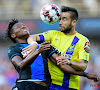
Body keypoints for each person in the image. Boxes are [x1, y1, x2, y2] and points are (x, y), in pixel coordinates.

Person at [22, 6, 99, 90]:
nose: (60, 22)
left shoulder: (83, 40)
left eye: (64, 19)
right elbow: (31, 37)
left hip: (69, 87)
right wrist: (33, 44)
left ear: (73, 22)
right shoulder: (52, 34)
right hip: (49, 85)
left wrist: (69, 62)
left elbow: (83, 66)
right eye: (60, 19)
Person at [6, 18, 53, 90]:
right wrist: (37, 51)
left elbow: (57, 61)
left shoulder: (40, 44)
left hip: (44, 87)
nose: (23, 27)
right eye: (19, 27)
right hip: (25, 85)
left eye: (24, 26)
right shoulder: (14, 49)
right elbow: (20, 64)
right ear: (13, 35)